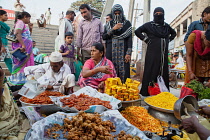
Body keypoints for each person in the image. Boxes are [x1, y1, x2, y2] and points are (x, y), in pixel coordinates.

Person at [135, 7, 176, 96]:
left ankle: (162, 91)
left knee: (162, 71)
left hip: (163, 54)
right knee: (151, 70)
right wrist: (146, 39)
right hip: (152, 53)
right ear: (153, 14)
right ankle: (148, 91)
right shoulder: (149, 25)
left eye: (160, 13)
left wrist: (168, 40)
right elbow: (137, 31)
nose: (158, 15)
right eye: (156, 13)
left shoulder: (166, 26)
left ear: (163, 14)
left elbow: (174, 33)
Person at [102, 4, 132, 83]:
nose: (117, 15)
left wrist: (128, 53)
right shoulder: (108, 24)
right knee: (111, 70)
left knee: (124, 72)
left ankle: (124, 91)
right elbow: (104, 37)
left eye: (119, 13)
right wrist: (113, 29)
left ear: (122, 13)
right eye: (115, 13)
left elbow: (129, 39)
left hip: (123, 52)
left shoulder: (127, 24)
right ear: (112, 13)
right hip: (111, 51)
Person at [8, 12, 34, 86]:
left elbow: (27, 36)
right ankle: (19, 80)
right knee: (21, 64)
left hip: (27, 50)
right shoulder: (20, 22)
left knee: (26, 64)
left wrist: (31, 29)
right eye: (29, 18)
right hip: (22, 49)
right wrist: (23, 45)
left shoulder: (22, 24)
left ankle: (24, 80)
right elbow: (17, 33)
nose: (29, 20)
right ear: (25, 17)